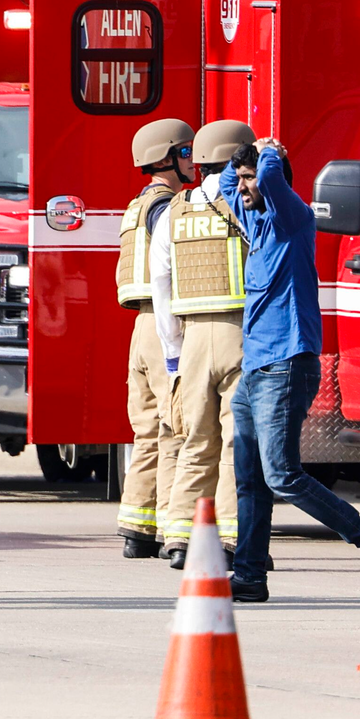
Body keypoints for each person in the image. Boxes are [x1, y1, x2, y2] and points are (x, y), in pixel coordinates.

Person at [222, 134, 360, 602]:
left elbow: (266, 177)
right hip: (256, 369)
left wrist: (269, 153)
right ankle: (248, 576)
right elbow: (224, 185)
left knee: (281, 474)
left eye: (251, 179)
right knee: (251, 478)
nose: (244, 188)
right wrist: (245, 147)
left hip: (285, 365)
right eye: (242, 179)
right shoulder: (256, 221)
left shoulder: (291, 216)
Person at [149, 122, 246, 568]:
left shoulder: (174, 210)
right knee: (233, 442)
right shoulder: (244, 203)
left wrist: (173, 350)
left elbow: (161, 284)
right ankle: (228, 538)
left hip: (190, 338)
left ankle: (178, 536)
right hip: (239, 332)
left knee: (194, 440)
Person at [114, 118, 193, 559]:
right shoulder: (168, 206)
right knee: (174, 428)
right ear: (166, 158)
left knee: (145, 431)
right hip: (164, 324)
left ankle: (136, 529)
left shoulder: (135, 206)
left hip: (139, 328)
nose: (192, 161)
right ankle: (172, 529)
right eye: (185, 153)